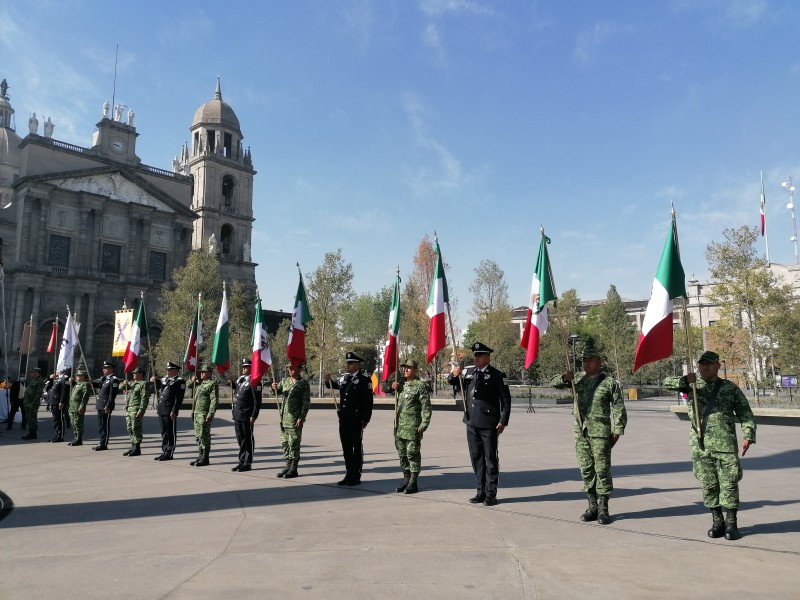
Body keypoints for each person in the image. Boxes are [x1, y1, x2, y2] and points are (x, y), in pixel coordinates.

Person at [663, 351, 756, 541]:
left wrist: (748, 436)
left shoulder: (729, 388)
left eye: (709, 364)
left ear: (717, 366)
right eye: (702, 364)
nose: (704, 367)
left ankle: (731, 524)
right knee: (709, 485)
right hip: (701, 445)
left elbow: (746, 414)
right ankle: (717, 521)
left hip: (725, 445)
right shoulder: (692, 386)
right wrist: (684, 380)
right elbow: (666, 382)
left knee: (729, 484)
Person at [551, 342, 627, 525]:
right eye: (584, 361)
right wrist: (564, 377)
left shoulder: (609, 383)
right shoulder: (577, 379)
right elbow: (553, 383)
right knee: (586, 470)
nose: (586, 364)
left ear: (599, 362)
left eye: (590, 360)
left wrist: (617, 431)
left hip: (600, 433)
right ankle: (591, 506)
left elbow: (618, 408)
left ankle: (603, 508)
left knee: (602, 470)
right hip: (581, 432)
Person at [448, 342, 511, 506]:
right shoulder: (469, 372)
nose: (475, 358)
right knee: (476, 457)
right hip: (471, 421)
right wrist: (455, 374)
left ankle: (491, 493)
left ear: (487, 357)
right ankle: (480, 491)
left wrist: (503, 420)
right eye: (474, 355)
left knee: (490, 458)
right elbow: (452, 382)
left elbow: (505, 399)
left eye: (479, 355)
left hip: (489, 423)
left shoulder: (497, 375)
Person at [325, 352, 374, 486]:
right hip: (344, 419)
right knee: (346, 447)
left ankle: (356, 475)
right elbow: (333, 386)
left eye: (350, 363)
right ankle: (349, 473)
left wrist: (366, 419)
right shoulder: (345, 378)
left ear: (357, 365)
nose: (348, 365)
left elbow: (368, 401)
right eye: (347, 363)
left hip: (356, 419)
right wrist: (327, 379)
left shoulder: (364, 379)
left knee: (356, 447)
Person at [390, 360, 432, 494]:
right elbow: (385, 386)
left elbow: (426, 407)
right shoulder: (400, 385)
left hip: (413, 427)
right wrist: (392, 387)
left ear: (415, 370)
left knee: (412, 454)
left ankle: (413, 482)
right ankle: (406, 479)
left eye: (409, 368)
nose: (405, 370)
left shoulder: (420, 386)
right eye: (404, 368)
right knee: (402, 454)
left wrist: (424, 424)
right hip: (400, 427)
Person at [272, 363, 311, 478]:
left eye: (293, 368)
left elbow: (306, 402)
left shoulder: (303, 383)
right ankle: (288, 465)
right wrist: (273, 387)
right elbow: (277, 391)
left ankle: (294, 468)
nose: (290, 370)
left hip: (295, 419)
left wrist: (301, 417)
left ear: (299, 369)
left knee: (294, 443)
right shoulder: (285, 381)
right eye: (289, 368)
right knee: (285, 443)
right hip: (284, 419)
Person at [230, 359, 262, 472]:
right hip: (238, 414)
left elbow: (257, 401)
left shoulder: (255, 381)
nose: (243, 368)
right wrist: (231, 383)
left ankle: (247, 462)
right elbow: (238, 391)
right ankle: (241, 460)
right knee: (240, 439)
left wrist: (254, 415)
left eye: (246, 366)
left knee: (247, 439)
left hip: (246, 414)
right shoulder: (241, 379)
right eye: (243, 366)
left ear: (251, 368)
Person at [151, 362, 186, 461]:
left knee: (171, 432)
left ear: (176, 371)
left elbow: (179, 398)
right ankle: (164, 451)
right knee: (164, 432)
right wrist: (154, 379)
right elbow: (159, 383)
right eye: (167, 370)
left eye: (170, 370)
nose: (167, 371)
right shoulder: (165, 380)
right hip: (162, 409)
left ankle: (170, 452)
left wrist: (174, 410)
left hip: (170, 410)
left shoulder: (179, 381)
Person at [189, 364, 218, 467]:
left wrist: (210, 413)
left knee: (204, 436)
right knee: (198, 436)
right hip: (197, 413)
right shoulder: (200, 384)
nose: (201, 373)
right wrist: (192, 380)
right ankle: (200, 455)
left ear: (210, 373)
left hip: (204, 414)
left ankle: (205, 458)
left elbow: (214, 400)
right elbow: (188, 385)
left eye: (204, 372)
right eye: (201, 372)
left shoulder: (212, 384)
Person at [92, 360, 120, 451]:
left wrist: (109, 405)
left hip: (106, 406)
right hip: (100, 405)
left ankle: (104, 443)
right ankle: (101, 441)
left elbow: (112, 394)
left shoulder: (114, 380)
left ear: (111, 369)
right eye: (104, 368)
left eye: (106, 368)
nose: (104, 370)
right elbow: (97, 386)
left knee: (105, 425)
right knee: (100, 425)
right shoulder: (104, 379)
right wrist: (91, 382)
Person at [120, 367, 149, 456]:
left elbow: (144, 398)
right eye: (133, 373)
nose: (133, 375)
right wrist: (124, 383)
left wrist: (142, 410)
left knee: (136, 429)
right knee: (129, 429)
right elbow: (120, 386)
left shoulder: (143, 384)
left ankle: (137, 448)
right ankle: (132, 446)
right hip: (129, 409)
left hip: (136, 409)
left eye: (135, 373)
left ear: (140, 374)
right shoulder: (132, 383)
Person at [67, 368, 91, 446]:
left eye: (79, 375)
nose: (77, 377)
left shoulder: (85, 384)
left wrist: (82, 406)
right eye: (77, 375)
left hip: (78, 407)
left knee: (78, 423)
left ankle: (79, 439)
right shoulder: (77, 384)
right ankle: (75, 438)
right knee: (73, 423)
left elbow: (85, 396)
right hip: (72, 407)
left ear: (83, 377)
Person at [47, 368, 71, 443]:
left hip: (58, 403)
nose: (57, 371)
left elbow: (65, 391)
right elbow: (48, 388)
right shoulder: (57, 379)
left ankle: (60, 436)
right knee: (56, 420)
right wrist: (50, 379)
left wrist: (62, 402)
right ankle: (57, 435)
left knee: (60, 420)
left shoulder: (65, 378)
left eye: (59, 369)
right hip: (53, 402)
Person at [21, 367, 44, 440]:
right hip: (28, 402)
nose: (31, 373)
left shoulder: (39, 381)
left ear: (37, 372)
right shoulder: (33, 380)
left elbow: (38, 393)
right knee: (29, 418)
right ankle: (31, 433)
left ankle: (32, 434)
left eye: (32, 372)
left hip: (32, 403)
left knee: (32, 419)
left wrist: (34, 403)